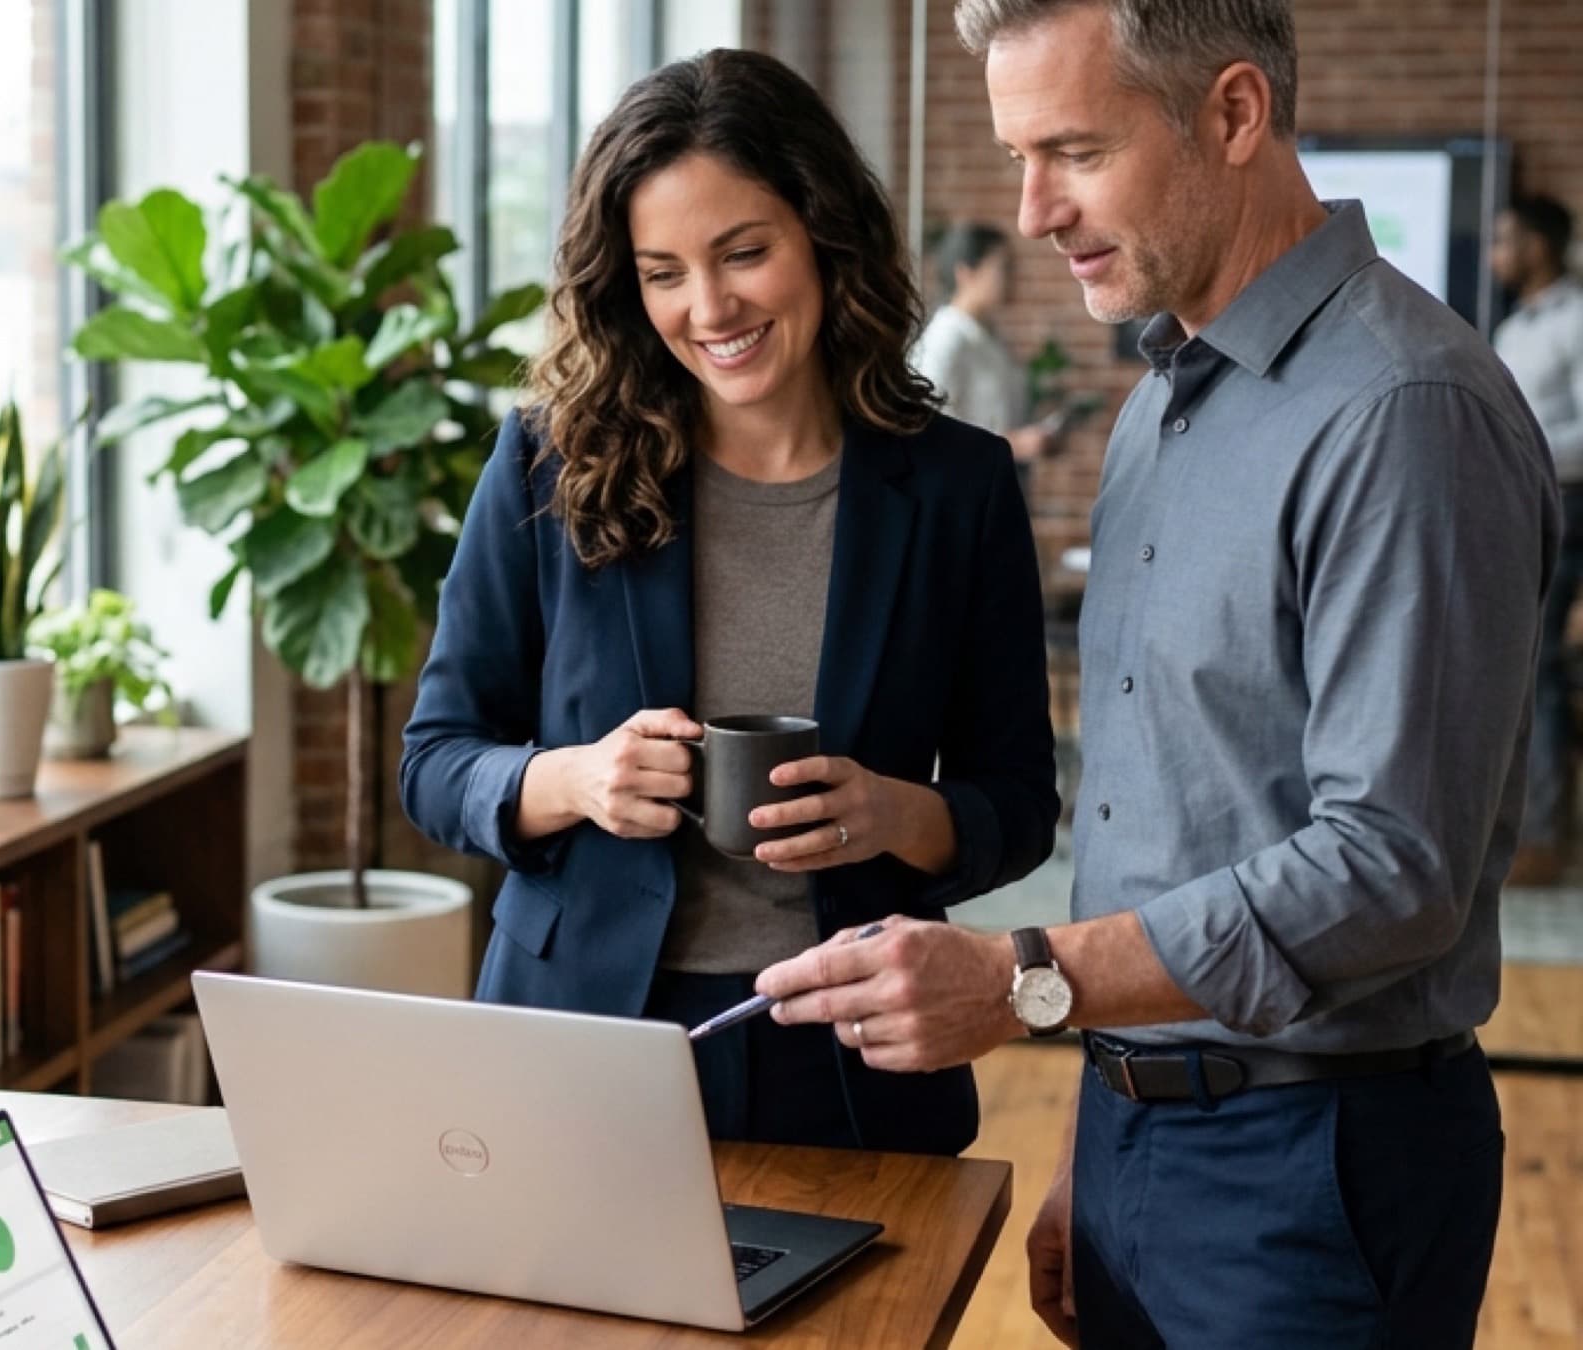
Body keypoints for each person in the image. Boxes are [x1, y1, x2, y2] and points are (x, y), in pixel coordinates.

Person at [751, 2, 1557, 1346]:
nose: (1032, 213)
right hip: (1144, 1136)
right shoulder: (1162, 405)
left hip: (1318, 1170)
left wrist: (1014, 977)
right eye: (1020, 159)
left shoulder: (1404, 410)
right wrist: (1102, 1123)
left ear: (1235, 113)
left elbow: (1391, 867)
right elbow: (1158, 827)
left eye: (1075, 152)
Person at [398, 48, 1058, 1157]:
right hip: (579, 1044)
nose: (709, 308)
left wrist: (893, 813)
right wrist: (575, 779)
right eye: (662, 272)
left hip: (852, 1053)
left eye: (745, 252)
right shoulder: (547, 465)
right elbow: (435, 762)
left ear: (825, 236)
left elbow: (1021, 802)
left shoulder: (958, 487)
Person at [1491, 194, 1583, 885]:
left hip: (1567, 506)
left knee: (1542, 671)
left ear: (1539, 247)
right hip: (1517, 505)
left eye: (1506, 239)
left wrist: (1517, 446)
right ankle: (1518, 831)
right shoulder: (1514, 324)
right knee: (1517, 669)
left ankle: (1546, 841)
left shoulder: (1575, 320)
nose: (1495, 253)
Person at [911, 222, 1061, 463]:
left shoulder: (989, 335)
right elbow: (926, 433)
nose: (1013, 278)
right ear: (965, 273)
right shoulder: (945, 339)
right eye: (1004, 267)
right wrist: (1016, 445)